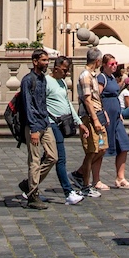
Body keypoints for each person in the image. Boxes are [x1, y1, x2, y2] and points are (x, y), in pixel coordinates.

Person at [13, 48, 57, 209]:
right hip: (34, 126)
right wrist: (33, 129)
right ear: (35, 61)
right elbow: (27, 105)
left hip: (45, 123)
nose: (47, 63)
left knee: (53, 157)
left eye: (48, 60)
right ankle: (32, 195)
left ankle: (29, 183)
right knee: (34, 161)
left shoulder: (43, 79)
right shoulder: (28, 80)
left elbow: (42, 103)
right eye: (44, 60)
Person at [45, 55, 83, 205]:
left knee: (47, 159)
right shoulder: (47, 81)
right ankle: (68, 192)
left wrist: (79, 122)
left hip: (62, 123)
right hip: (51, 123)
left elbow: (67, 103)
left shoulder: (62, 82)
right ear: (56, 68)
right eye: (65, 70)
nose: (67, 73)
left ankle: (28, 186)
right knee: (60, 158)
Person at [99, 56, 129, 188]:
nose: (114, 66)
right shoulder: (101, 78)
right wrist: (103, 113)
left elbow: (115, 96)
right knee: (101, 148)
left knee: (124, 145)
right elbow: (97, 96)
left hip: (116, 117)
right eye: (112, 63)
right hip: (106, 117)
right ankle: (93, 178)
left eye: (116, 63)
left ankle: (120, 177)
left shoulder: (113, 78)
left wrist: (119, 112)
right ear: (104, 65)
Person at [76, 48, 107, 195]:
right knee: (91, 150)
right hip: (89, 117)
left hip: (98, 115)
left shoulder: (93, 75)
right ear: (98, 61)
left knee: (102, 147)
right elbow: (87, 100)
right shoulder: (85, 76)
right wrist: (95, 119)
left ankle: (79, 173)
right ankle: (85, 185)